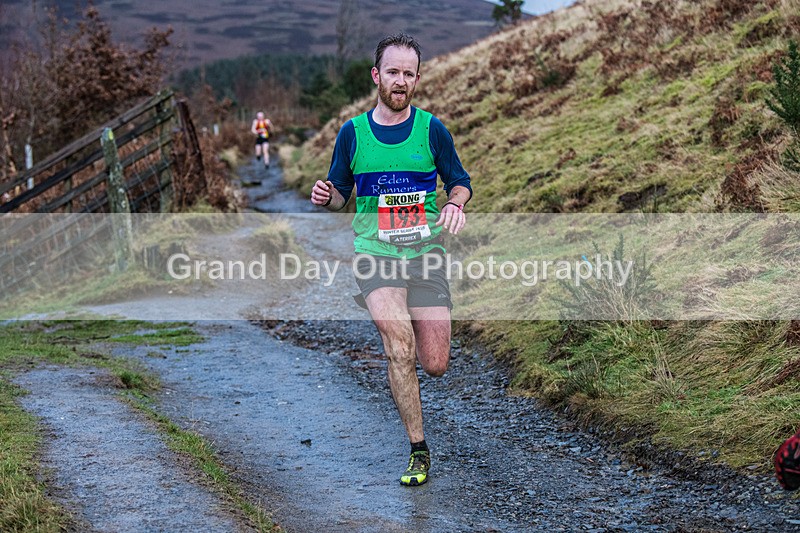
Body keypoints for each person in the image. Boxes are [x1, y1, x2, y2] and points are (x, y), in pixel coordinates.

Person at [310, 33, 472, 486]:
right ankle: (418, 450)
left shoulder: (432, 130)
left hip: (425, 253)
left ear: (416, 79)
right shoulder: (353, 133)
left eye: (408, 73)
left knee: (435, 362)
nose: (400, 81)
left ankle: (418, 375)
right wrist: (328, 195)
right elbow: (340, 194)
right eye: (392, 72)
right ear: (377, 76)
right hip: (375, 255)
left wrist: (455, 203)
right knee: (398, 344)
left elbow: (459, 181)